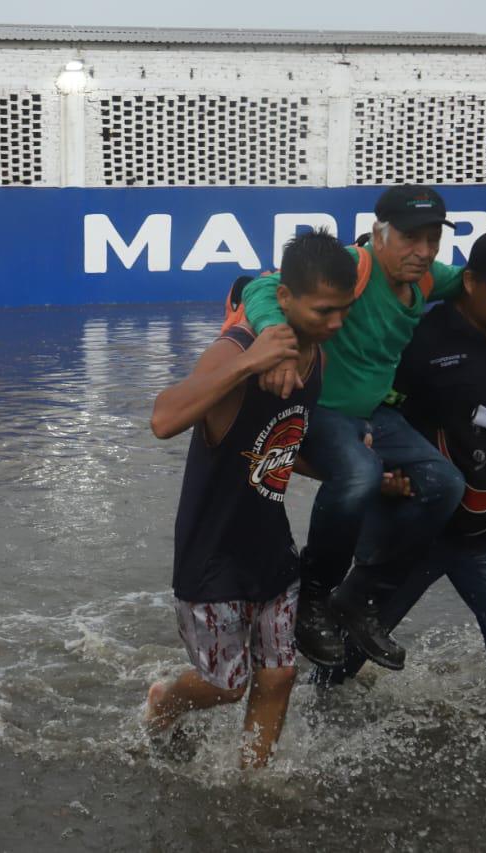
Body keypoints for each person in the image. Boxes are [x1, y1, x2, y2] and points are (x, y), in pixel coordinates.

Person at [240, 186, 486, 672]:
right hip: (363, 455)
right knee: (361, 477)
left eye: (432, 240)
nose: (423, 251)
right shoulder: (369, 279)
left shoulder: (451, 291)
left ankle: (355, 599)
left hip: (456, 495)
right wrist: (273, 337)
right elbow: (262, 288)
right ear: (379, 233)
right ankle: (315, 598)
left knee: (447, 488)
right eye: (410, 238)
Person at [317, 229, 486, 682]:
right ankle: (311, 712)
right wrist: (381, 474)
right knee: (344, 658)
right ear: (469, 281)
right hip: (411, 525)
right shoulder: (421, 339)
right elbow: (370, 417)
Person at [143, 231, 358, 768]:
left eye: (344, 310)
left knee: (280, 675)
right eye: (324, 311)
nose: (336, 323)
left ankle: (252, 781)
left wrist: (352, 470)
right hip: (211, 553)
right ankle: (163, 703)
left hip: (270, 543)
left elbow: (281, 443)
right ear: (284, 298)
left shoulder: (315, 355)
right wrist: (247, 362)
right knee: (226, 685)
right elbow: (163, 419)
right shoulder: (236, 349)